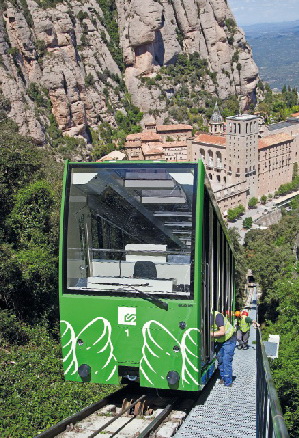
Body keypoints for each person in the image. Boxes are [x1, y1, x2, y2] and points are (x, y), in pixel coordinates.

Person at [211, 311, 236, 387]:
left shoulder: (218, 317)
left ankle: (228, 382)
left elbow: (222, 332)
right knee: (220, 359)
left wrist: (209, 334)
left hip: (229, 339)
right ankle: (223, 377)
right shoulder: (206, 318)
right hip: (220, 340)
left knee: (226, 359)